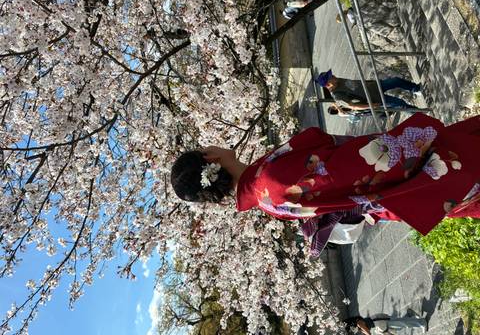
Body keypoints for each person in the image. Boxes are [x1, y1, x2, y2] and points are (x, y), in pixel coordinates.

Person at [171, 113, 480, 236]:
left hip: (407, 189)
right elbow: (360, 167)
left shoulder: (266, 198)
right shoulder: (270, 181)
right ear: (209, 158)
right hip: (426, 172)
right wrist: (414, 137)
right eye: (206, 147)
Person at [315, 69, 422, 112]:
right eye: (331, 77)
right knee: (400, 104)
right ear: (328, 84)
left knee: (395, 80)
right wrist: (370, 106)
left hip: (374, 86)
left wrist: (370, 81)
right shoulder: (337, 95)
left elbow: (356, 83)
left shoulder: (338, 80)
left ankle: (416, 89)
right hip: (375, 98)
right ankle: (419, 113)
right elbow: (352, 106)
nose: (333, 75)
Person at [344, 314, 427, 334]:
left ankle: (422, 322)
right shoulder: (357, 324)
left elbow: (367, 332)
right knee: (399, 325)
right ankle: (413, 318)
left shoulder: (358, 323)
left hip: (379, 322)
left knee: (401, 324)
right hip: (378, 324)